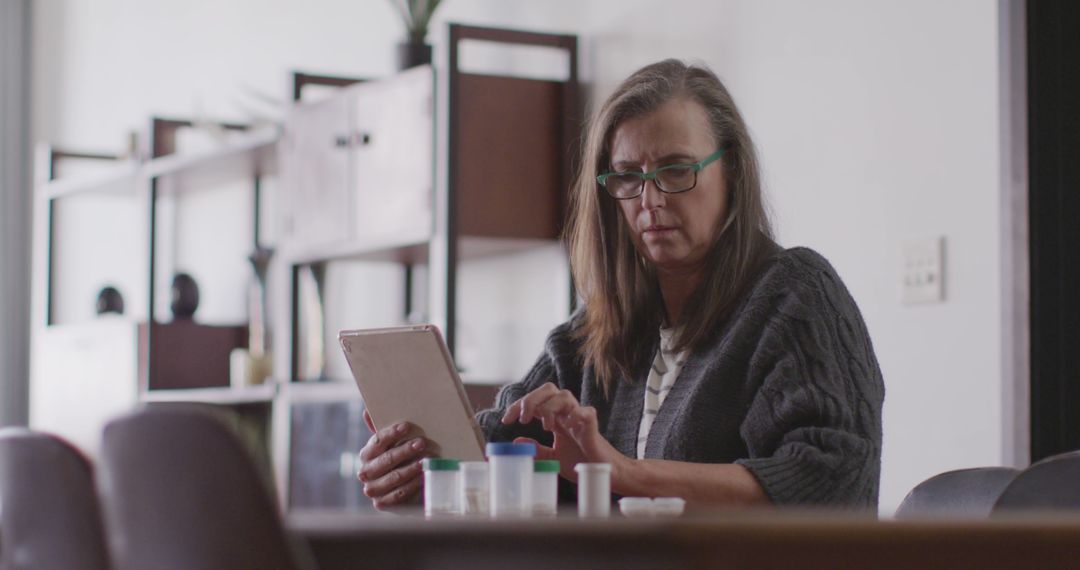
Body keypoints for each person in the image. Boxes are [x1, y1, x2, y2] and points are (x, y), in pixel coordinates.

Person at [357, 59, 884, 510]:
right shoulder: (593, 333)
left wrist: (620, 473)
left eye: (677, 170)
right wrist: (423, 467)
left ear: (734, 173)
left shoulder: (795, 296)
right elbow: (505, 440)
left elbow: (829, 479)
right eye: (628, 176)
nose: (650, 201)